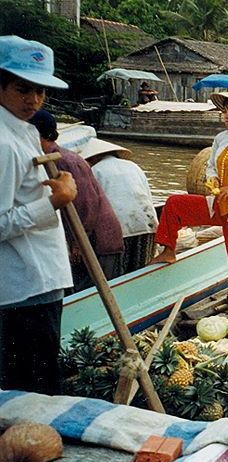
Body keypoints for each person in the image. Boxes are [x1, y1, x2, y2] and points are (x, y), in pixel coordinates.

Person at [150, 91, 228, 317]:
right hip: (218, 205)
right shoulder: (221, 138)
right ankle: (168, 250)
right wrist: (212, 178)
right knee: (175, 204)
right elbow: (211, 166)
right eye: (224, 112)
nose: (226, 117)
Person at [0, 36, 76, 394]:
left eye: (40, 91)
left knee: (38, 389)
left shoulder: (24, 131)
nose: (33, 100)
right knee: (32, 395)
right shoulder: (2, 142)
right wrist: (54, 202)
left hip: (40, 282)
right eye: (22, 89)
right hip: (24, 287)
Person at [30, 110, 124, 292]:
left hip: (95, 241)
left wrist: (79, 244)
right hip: (85, 239)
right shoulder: (52, 159)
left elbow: (86, 204)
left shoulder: (64, 161)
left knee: (92, 294)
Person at [82, 138, 159, 275]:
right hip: (146, 223)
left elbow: (91, 206)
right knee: (141, 270)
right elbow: (147, 195)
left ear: (94, 157)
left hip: (118, 228)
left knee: (117, 273)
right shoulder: (133, 166)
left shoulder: (95, 171)